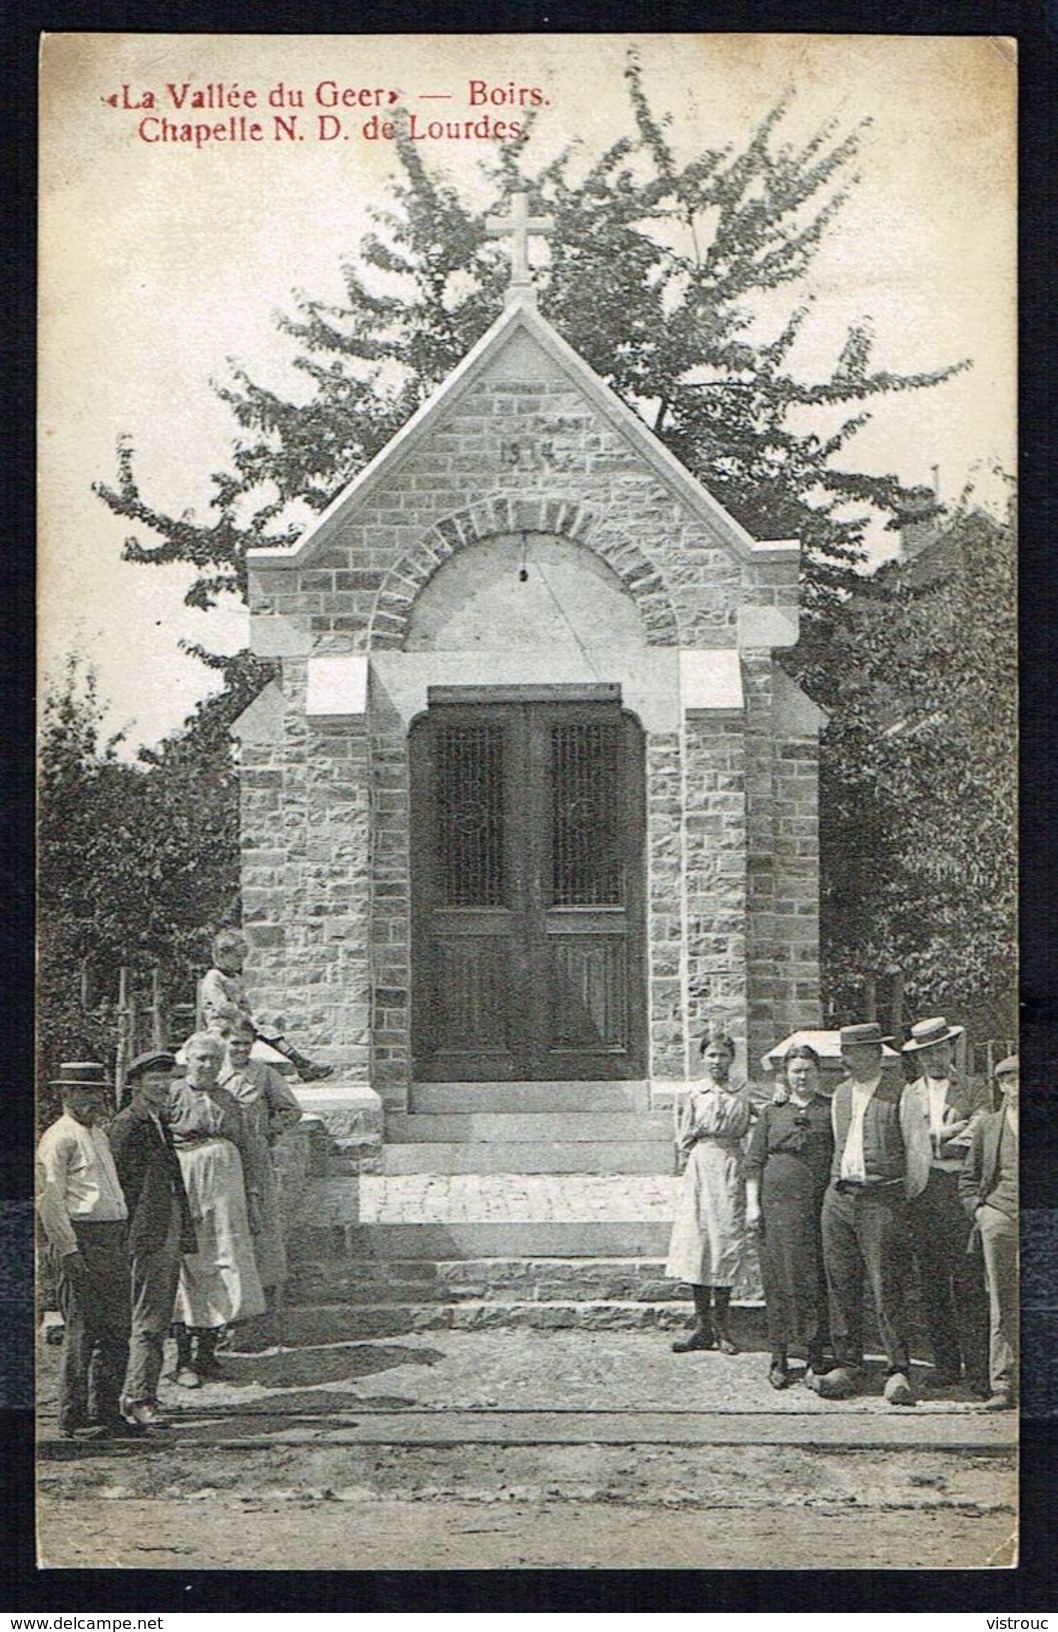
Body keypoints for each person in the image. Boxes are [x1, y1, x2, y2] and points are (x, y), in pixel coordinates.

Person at [814, 1022, 931, 1406]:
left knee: (887, 1286)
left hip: (882, 1200)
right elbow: (839, 1142)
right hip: (840, 1198)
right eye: (845, 1052)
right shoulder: (840, 1094)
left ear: (875, 1054)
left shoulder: (903, 1093)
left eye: (856, 1051)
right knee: (842, 1283)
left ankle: (898, 1370)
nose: (847, 1059)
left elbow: (918, 1158)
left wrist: (894, 1197)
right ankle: (847, 1364)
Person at [35, 1062, 135, 1439]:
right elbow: (50, 1201)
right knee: (82, 1332)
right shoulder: (59, 1138)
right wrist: (69, 1250)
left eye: (96, 1092)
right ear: (65, 1095)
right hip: (82, 1241)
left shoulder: (99, 1135)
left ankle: (106, 1412)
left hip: (111, 1239)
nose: (92, 1099)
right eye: (82, 1092)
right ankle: (73, 1418)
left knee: (116, 1331)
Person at [168, 1033, 266, 1386]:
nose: (207, 1065)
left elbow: (247, 1145)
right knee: (187, 1265)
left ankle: (207, 1355)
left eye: (214, 1059)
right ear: (188, 1060)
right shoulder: (172, 1094)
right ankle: (182, 1362)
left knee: (222, 1262)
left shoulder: (228, 1098)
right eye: (201, 1059)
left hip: (226, 1191)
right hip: (187, 1184)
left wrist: (252, 1195)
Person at [108, 1049, 197, 1427]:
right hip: (146, 1237)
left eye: (168, 1078)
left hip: (167, 1233)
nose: (163, 1085)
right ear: (136, 1084)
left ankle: (141, 1393)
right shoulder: (127, 1126)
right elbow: (120, 1189)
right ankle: (138, 1398)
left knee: (158, 1319)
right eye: (155, 1079)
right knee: (147, 1320)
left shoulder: (157, 1122)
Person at [902, 1016, 989, 1396]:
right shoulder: (909, 1093)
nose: (934, 1058)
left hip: (959, 1188)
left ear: (951, 1049)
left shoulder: (973, 1086)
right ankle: (945, 1364)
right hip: (923, 1192)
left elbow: (980, 1127)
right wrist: (943, 1133)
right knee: (932, 1282)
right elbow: (907, 1137)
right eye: (926, 1054)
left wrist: (939, 1137)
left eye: (940, 1050)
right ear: (918, 1059)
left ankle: (979, 1369)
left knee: (968, 1282)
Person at [745, 1043, 834, 1390]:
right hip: (776, 1208)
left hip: (816, 1207)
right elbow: (754, 1163)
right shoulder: (772, 1113)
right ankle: (778, 1357)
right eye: (796, 1071)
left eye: (809, 1070)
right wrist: (753, 1206)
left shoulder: (830, 1110)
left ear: (818, 1073)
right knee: (778, 1280)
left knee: (814, 1280)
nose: (802, 1077)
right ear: (786, 1075)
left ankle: (815, 1355)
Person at [664, 1029, 752, 1355]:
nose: (717, 1061)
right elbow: (683, 1138)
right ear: (702, 1058)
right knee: (698, 1242)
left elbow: (764, 1119)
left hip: (731, 1167)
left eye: (723, 1055)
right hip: (701, 1168)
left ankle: (724, 1328)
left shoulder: (743, 1092)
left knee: (725, 1242)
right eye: (711, 1055)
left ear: (732, 1059)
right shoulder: (694, 1095)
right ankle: (702, 1326)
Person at [218, 1018, 303, 1350]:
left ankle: (260, 1322)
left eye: (245, 1043)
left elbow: (291, 1111)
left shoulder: (264, 1075)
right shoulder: (213, 1074)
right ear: (223, 1042)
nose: (240, 1049)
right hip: (221, 1160)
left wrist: (267, 1129)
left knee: (260, 1233)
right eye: (234, 1042)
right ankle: (223, 1321)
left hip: (254, 1161)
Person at [959, 1054, 1019, 1411]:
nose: (1018, 1087)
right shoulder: (988, 1127)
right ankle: (1003, 1384)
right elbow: (968, 1180)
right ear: (1000, 1086)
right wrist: (981, 1213)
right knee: (1002, 1301)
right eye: (1010, 1081)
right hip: (998, 1217)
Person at [199, 928, 333, 1082]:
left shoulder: (235, 977)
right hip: (220, 1022)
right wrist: (243, 1016)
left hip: (238, 1021)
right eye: (236, 957)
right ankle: (302, 1065)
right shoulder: (214, 977)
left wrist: (250, 1016)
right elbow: (222, 1006)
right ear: (222, 955)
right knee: (245, 1034)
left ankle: (302, 1064)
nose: (240, 962)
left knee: (269, 1031)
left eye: (242, 958)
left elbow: (243, 1001)